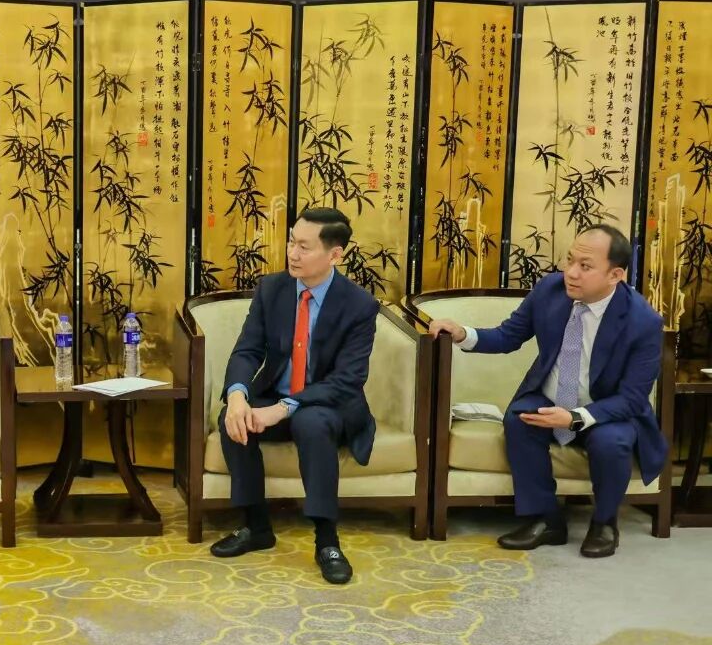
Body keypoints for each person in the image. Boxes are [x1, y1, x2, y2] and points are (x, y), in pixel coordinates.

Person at [428, 224, 666, 558]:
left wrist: (575, 418)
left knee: (611, 442)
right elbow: (508, 336)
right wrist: (462, 333)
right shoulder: (550, 290)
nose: (571, 273)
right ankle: (545, 520)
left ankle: (604, 523)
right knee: (520, 419)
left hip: (606, 410)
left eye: (585, 266)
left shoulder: (643, 322)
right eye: (570, 260)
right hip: (551, 398)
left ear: (615, 275)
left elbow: (632, 398)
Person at [209, 207, 379, 585]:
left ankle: (327, 541)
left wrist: (283, 409)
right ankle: (256, 527)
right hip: (275, 395)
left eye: (304, 246)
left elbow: (346, 380)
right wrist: (237, 396)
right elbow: (247, 351)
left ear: (335, 255)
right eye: (291, 242)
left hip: (329, 404)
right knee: (234, 417)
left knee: (311, 422)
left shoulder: (359, 305)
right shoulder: (273, 289)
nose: (292, 253)